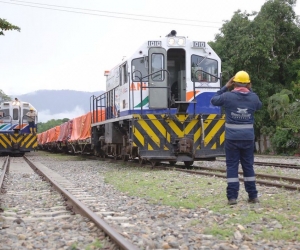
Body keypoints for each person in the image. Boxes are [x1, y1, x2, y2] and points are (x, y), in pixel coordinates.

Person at [210, 70, 262, 205]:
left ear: (233, 83)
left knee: (232, 166)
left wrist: (225, 87)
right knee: (248, 167)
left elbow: (214, 100)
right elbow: (259, 106)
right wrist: (249, 90)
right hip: (248, 139)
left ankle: (232, 198)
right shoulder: (254, 98)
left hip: (232, 139)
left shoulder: (227, 96)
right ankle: (253, 196)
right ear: (249, 84)